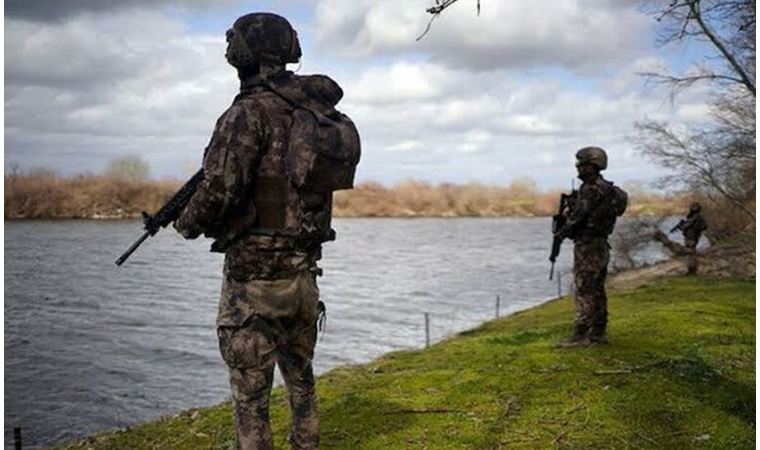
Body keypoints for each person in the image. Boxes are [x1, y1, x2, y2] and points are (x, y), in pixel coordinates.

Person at [173, 12, 360, 449]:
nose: (227, 48)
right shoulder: (311, 111)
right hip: (303, 276)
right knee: (301, 379)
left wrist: (186, 223)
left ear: (246, 52)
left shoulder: (247, 113)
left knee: (251, 396)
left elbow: (220, 189)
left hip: (254, 282)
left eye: (233, 41)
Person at [555, 147, 627, 347]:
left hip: (588, 245)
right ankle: (598, 332)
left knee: (585, 288)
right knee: (597, 288)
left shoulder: (589, 189)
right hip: (601, 244)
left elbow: (578, 219)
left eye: (581, 164)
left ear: (591, 165)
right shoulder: (608, 189)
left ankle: (580, 334)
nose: (578, 168)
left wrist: (561, 233)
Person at [672, 202, 708, 275]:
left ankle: (692, 270)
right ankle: (691, 269)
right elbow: (685, 226)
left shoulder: (697, 218)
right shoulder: (692, 217)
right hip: (690, 236)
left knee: (690, 252)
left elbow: (703, 227)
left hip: (692, 237)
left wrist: (694, 227)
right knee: (690, 253)